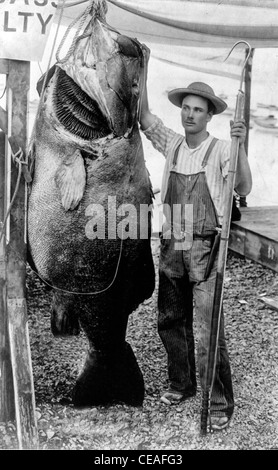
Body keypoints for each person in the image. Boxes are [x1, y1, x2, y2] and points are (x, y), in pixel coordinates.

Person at [139, 46, 252, 432]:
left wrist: (241, 145)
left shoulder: (221, 150)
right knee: (171, 320)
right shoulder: (171, 143)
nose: (190, 114)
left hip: (206, 247)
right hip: (172, 244)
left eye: (198, 110)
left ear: (209, 115)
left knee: (209, 327)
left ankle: (219, 401)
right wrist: (144, 64)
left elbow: (244, 184)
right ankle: (181, 382)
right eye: (186, 107)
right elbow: (144, 118)